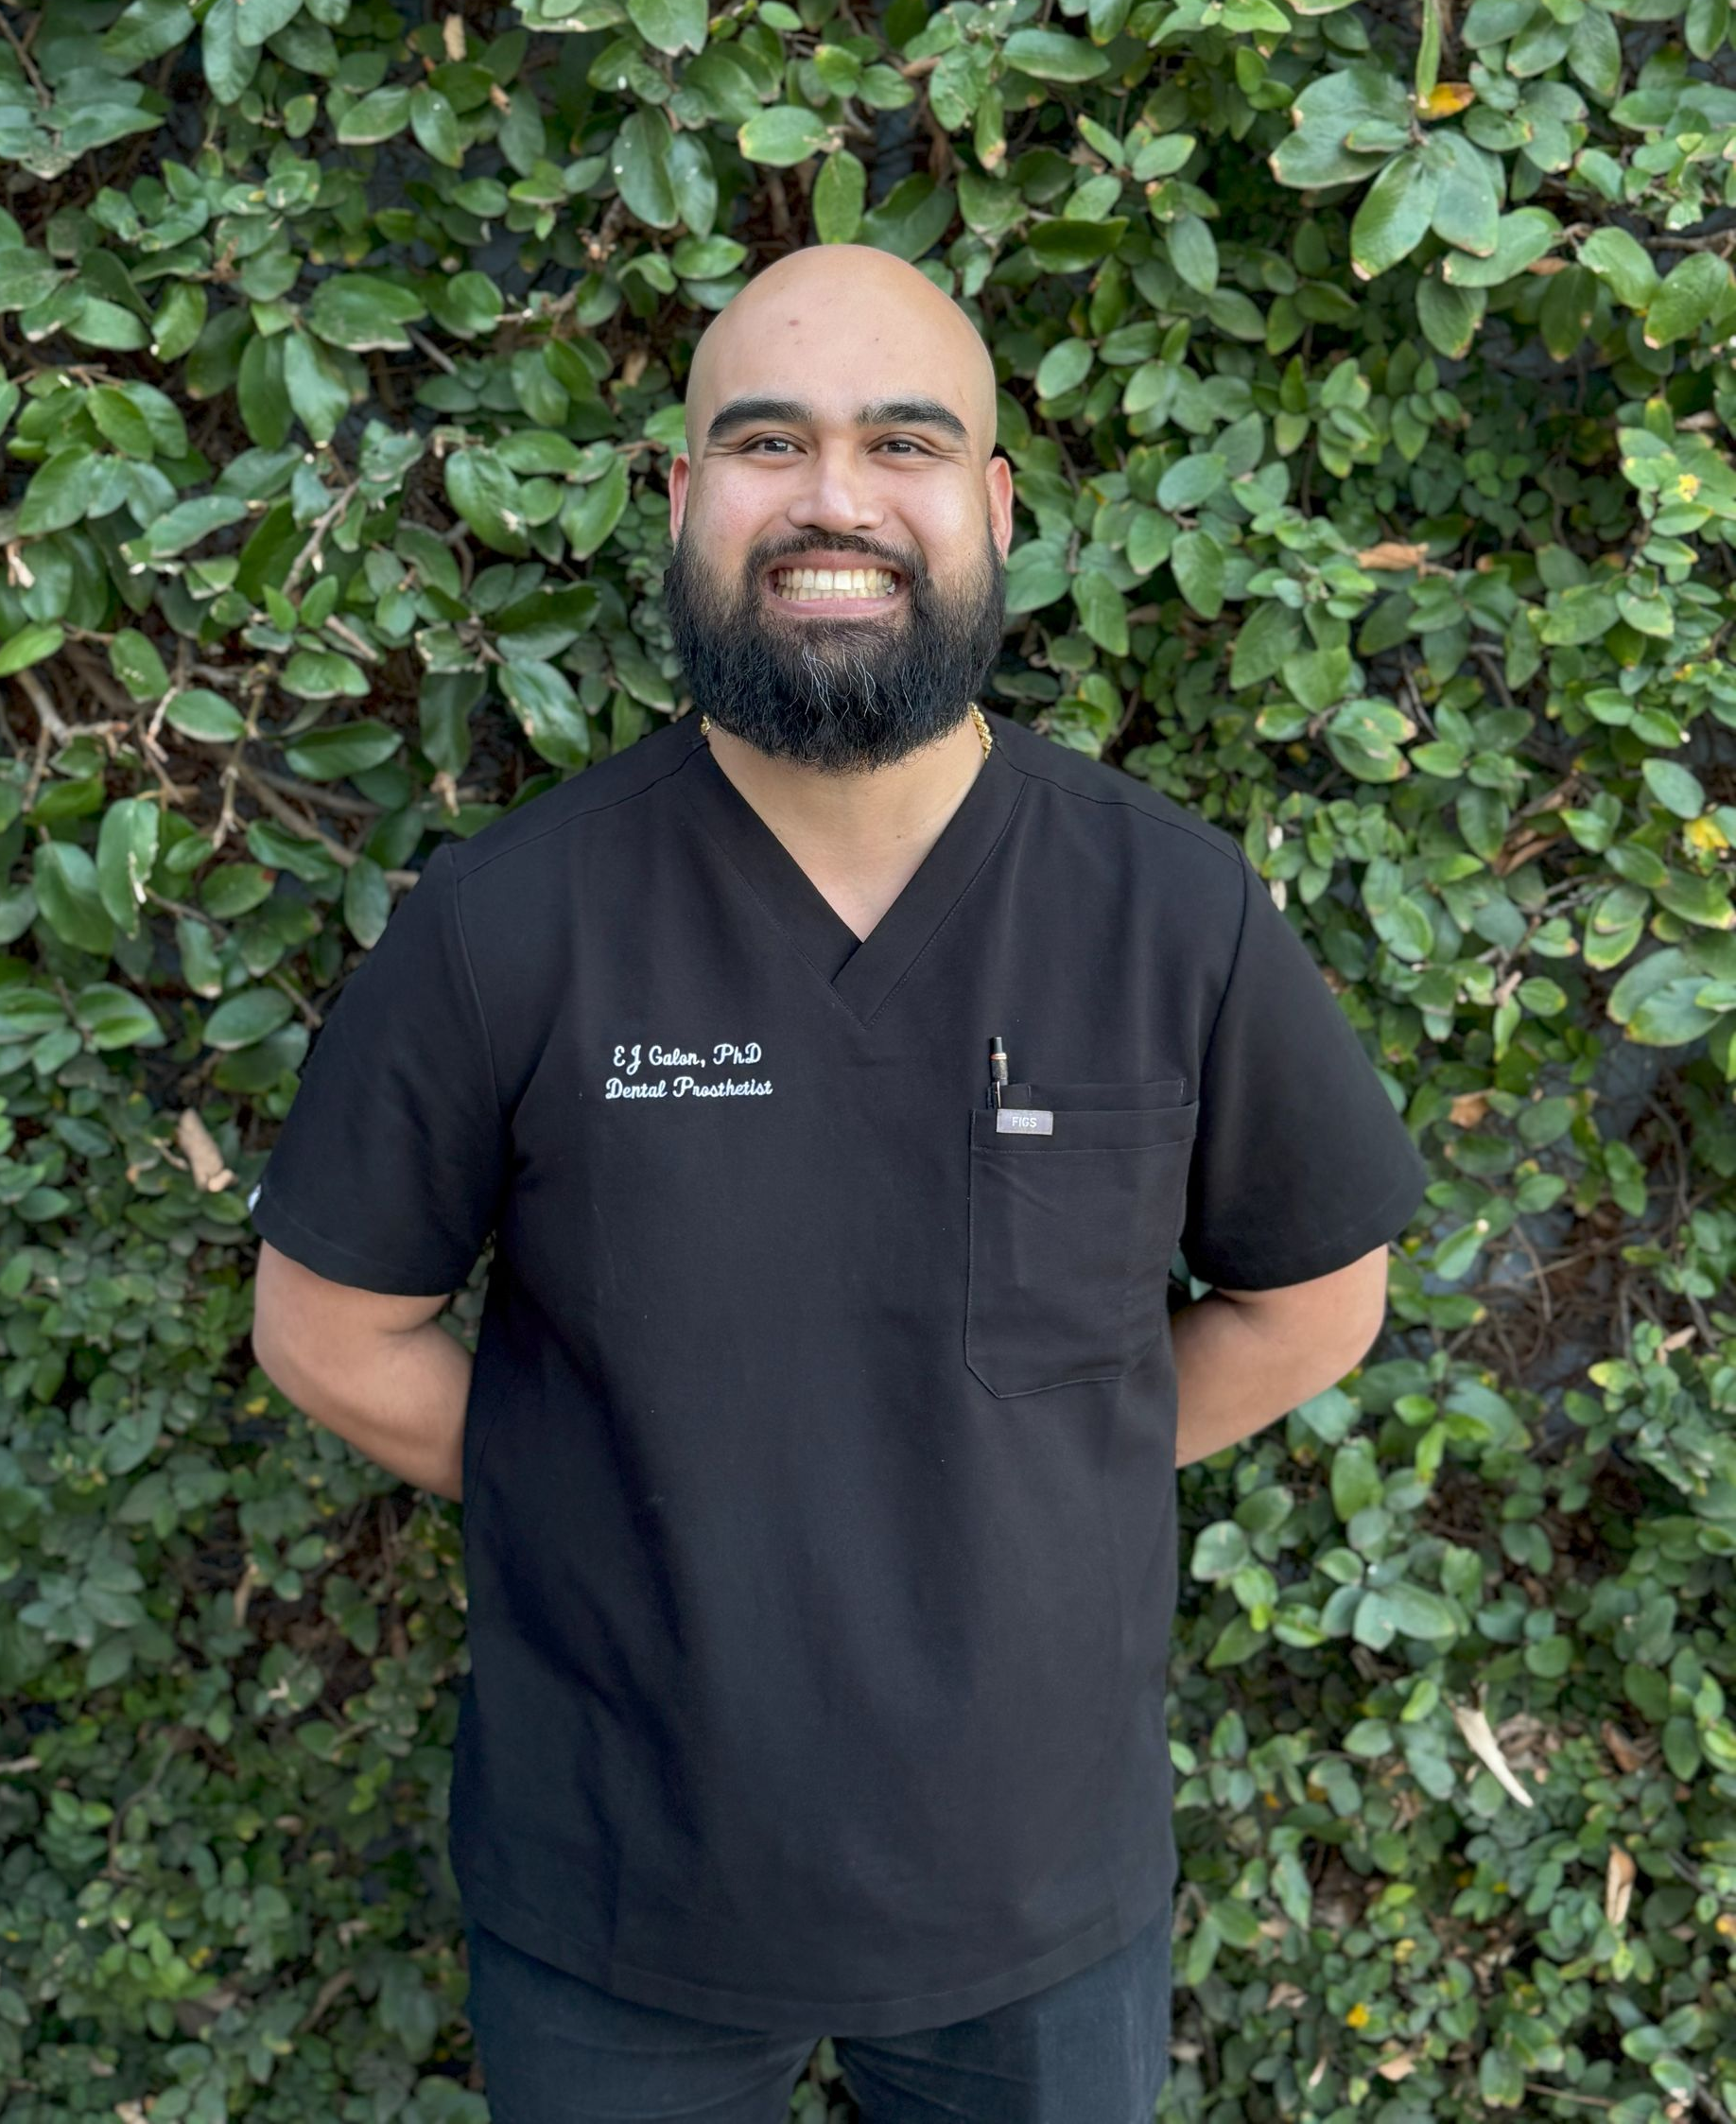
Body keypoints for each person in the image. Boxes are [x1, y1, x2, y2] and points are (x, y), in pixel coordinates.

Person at [248, 240, 1427, 2122]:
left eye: (902, 440)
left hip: (1038, 1909)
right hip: (612, 1902)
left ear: (991, 504)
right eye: (767, 441)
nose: (833, 501)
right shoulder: (507, 924)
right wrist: (608, 1489)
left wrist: (1038, 1473)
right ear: (682, 497)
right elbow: (327, 1327)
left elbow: (1312, 1298)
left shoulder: (1166, 912)